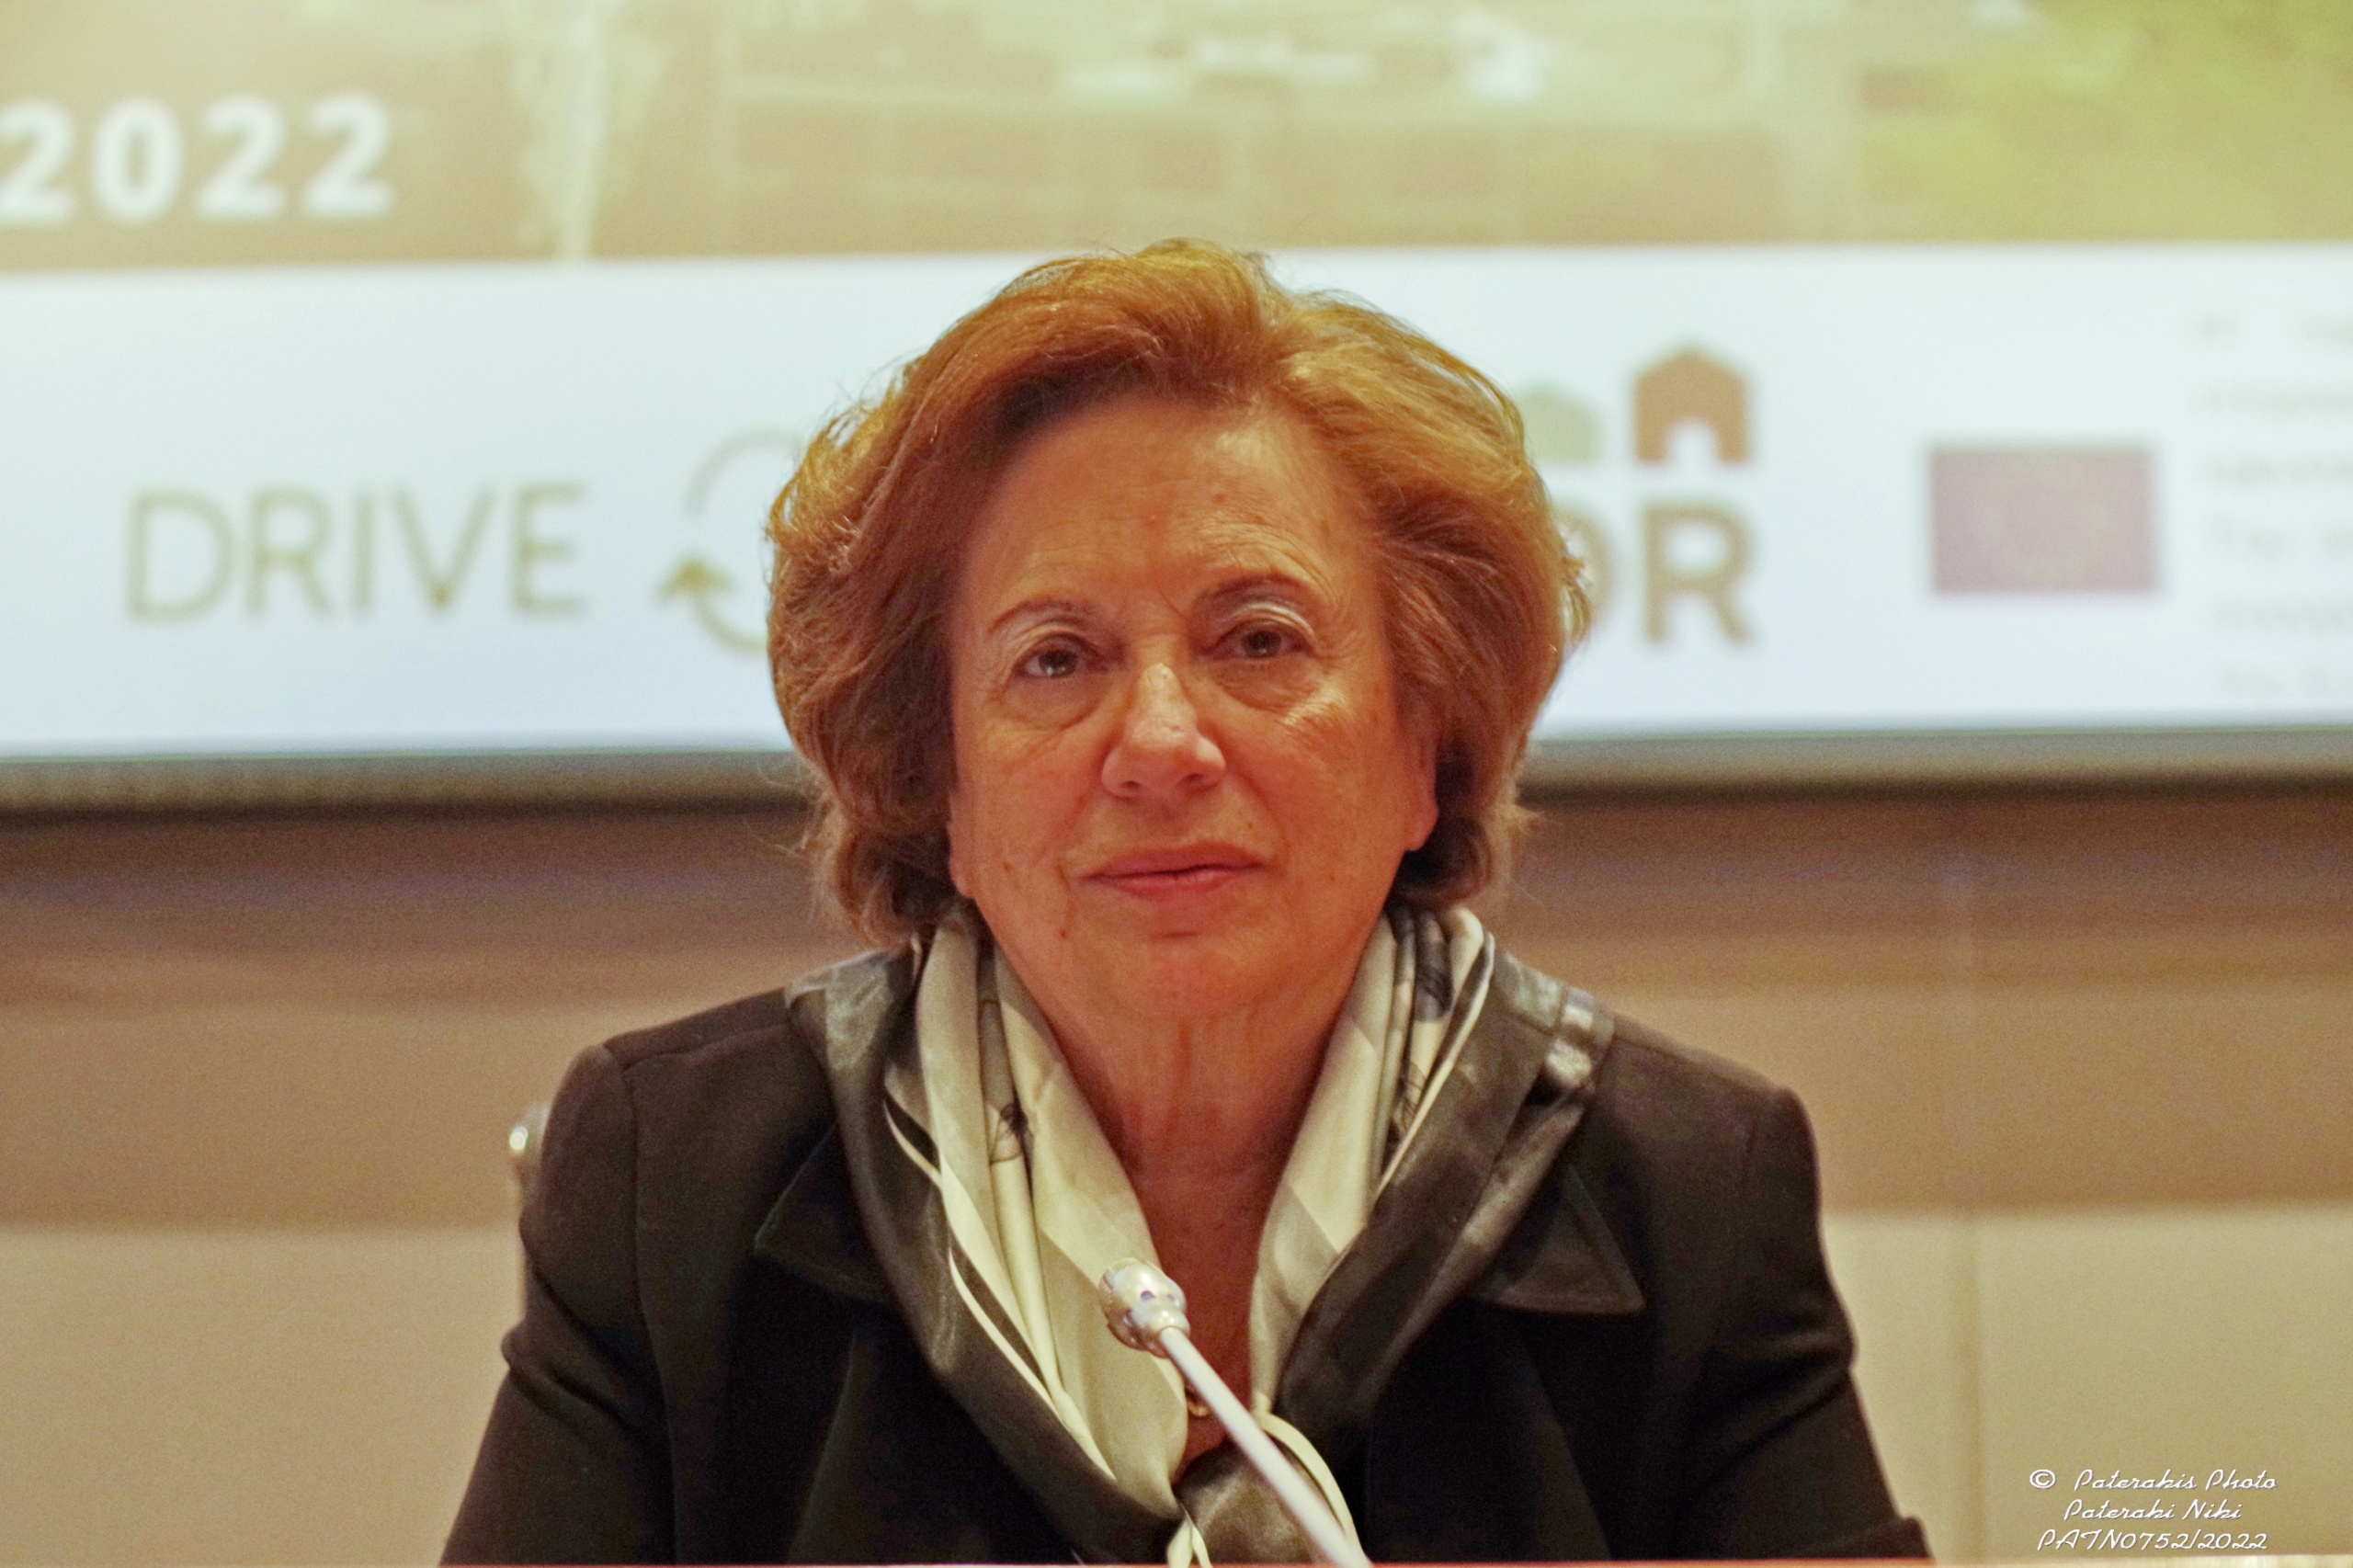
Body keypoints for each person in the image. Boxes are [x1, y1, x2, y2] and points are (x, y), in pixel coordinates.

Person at [444, 241, 1928, 1564]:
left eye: (1260, 640)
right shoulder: (677, 1178)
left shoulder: (1681, 1185)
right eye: (1055, 659)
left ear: (1425, 748)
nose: (1160, 743)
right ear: (940, 782)